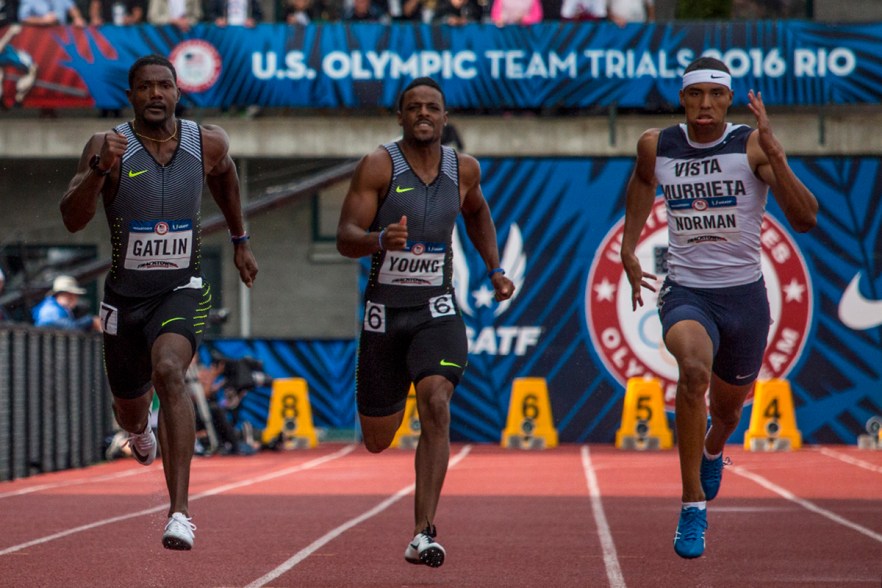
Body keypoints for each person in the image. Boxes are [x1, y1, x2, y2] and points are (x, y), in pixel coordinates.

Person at [620, 56, 818, 559]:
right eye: (694, 95)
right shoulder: (657, 145)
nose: (704, 104)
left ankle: (713, 447)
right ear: (681, 99)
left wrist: (777, 154)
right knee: (692, 372)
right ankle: (692, 507)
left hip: (744, 299)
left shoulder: (749, 145)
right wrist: (628, 245)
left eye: (715, 95)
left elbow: (806, 219)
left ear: (728, 100)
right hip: (687, 292)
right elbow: (644, 181)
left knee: (727, 413)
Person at [59, 54, 258, 550]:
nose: (155, 95)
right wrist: (98, 170)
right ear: (131, 95)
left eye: (164, 86)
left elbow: (226, 176)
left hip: (182, 289)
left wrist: (240, 239)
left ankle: (180, 512)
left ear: (177, 91)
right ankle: (139, 432)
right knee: (129, 409)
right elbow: (71, 219)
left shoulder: (206, 142)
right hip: (125, 299)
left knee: (170, 370)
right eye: (145, 87)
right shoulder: (109, 146)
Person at [336, 77, 515, 568]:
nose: (422, 114)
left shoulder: (465, 170)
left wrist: (495, 268)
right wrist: (378, 241)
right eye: (413, 107)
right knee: (377, 439)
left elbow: (478, 215)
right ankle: (418, 519)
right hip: (383, 317)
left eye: (431, 107)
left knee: (436, 400)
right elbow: (345, 237)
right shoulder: (378, 165)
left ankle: (423, 532)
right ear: (400, 115)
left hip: (436, 310)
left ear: (444, 115)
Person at [32, 275, 102, 332]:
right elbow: (70, 329)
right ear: (58, 295)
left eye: (75, 295)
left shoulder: (59, 307)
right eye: (68, 295)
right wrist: (91, 321)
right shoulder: (50, 309)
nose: (73, 298)